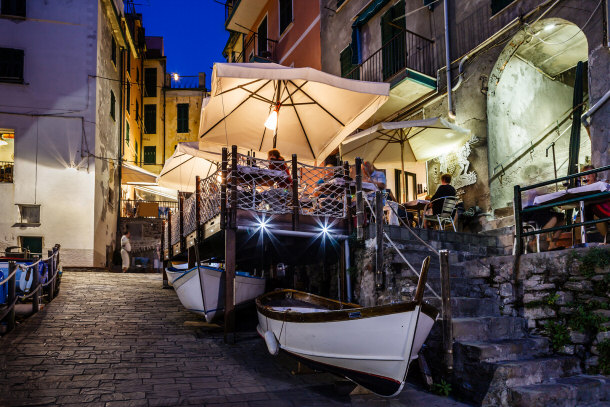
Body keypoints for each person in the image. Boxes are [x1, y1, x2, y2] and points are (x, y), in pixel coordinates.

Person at [581, 165, 609, 244]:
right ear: (584, 176)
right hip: (594, 207)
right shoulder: (584, 187)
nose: (591, 174)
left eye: (592, 172)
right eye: (588, 173)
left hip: (604, 203)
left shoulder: (602, 182)